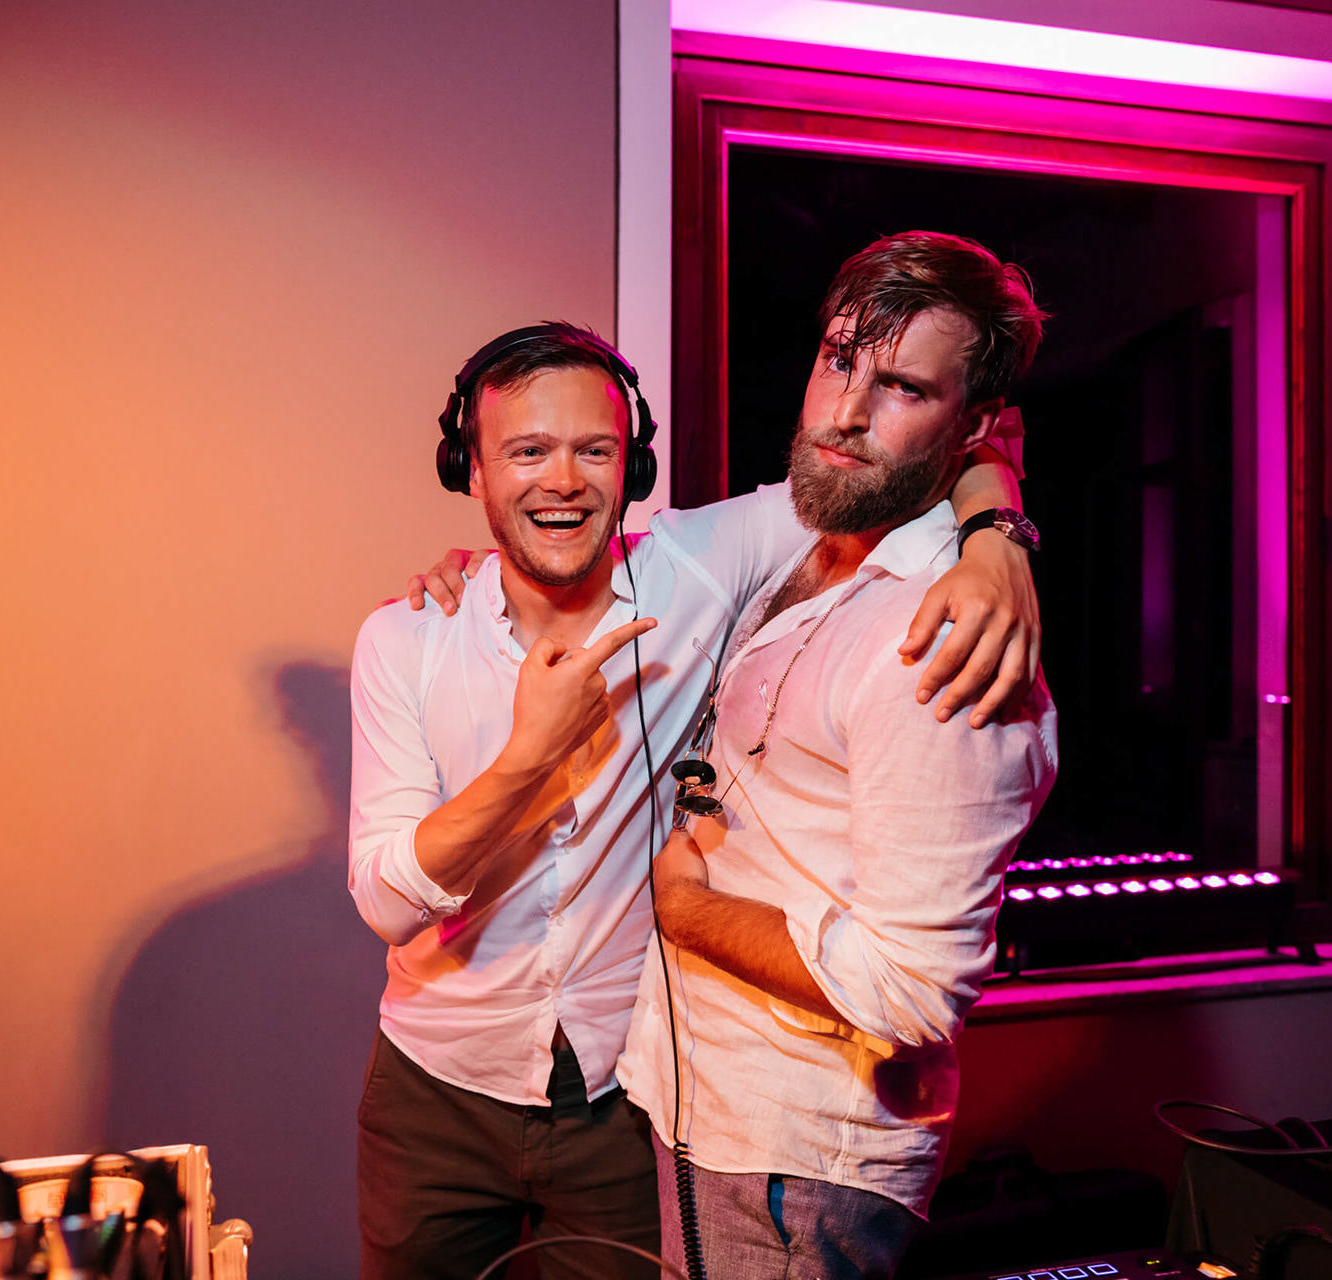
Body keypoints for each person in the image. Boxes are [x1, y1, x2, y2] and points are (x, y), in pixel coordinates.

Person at [348, 321, 1037, 1279]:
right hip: (435, 1094)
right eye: (527, 452)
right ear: (470, 470)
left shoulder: (700, 565)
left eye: (595, 451)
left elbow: (915, 455)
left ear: (633, 467)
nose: (563, 481)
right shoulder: (407, 641)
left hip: (624, 1100)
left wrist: (999, 541)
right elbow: (388, 902)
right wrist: (530, 757)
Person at [619, 232, 1059, 1279]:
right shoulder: (817, 545)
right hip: (714, 1111)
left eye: (903, 386)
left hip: (793, 1164)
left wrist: (684, 908)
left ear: (972, 423)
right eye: (840, 360)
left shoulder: (942, 641)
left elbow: (911, 988)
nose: (847, 412)